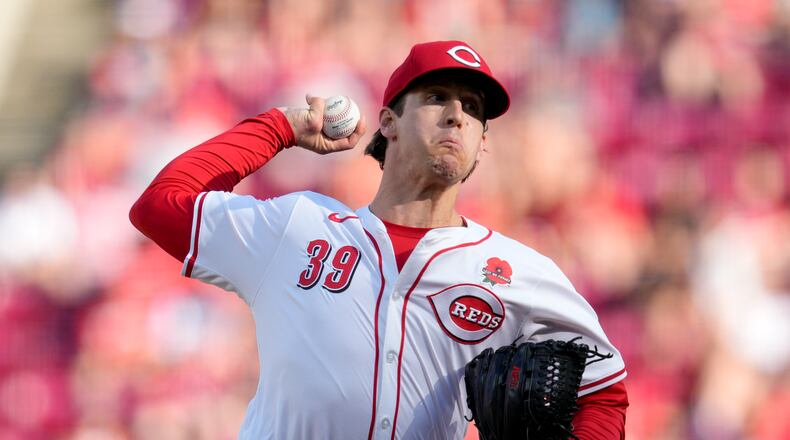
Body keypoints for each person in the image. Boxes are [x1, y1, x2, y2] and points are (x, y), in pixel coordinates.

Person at [130, 40, 628, 440]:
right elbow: (159, 206)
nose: (457, 115)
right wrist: (281, 126)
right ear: (388, 121)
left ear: (483, 143)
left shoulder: (520, 273)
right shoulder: (298, 228)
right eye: (437, 98)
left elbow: (603, 390)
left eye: (473, 108)